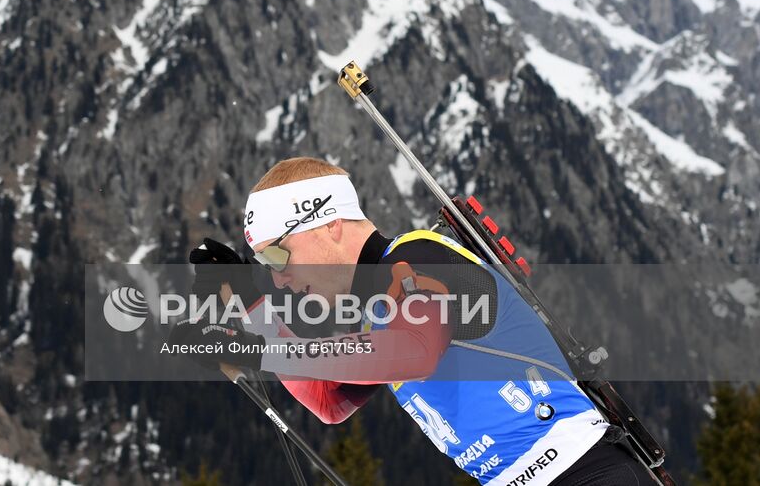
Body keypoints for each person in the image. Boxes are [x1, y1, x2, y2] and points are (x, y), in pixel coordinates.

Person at [171, 157, 657, 486]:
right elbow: (327, 400)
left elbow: (414, 352)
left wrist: (258, 348)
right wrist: (256, 312)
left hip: (584, 472)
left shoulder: (417, 257)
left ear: (329, 222)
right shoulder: (372, 306)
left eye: (278, 254)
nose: (279, 278)